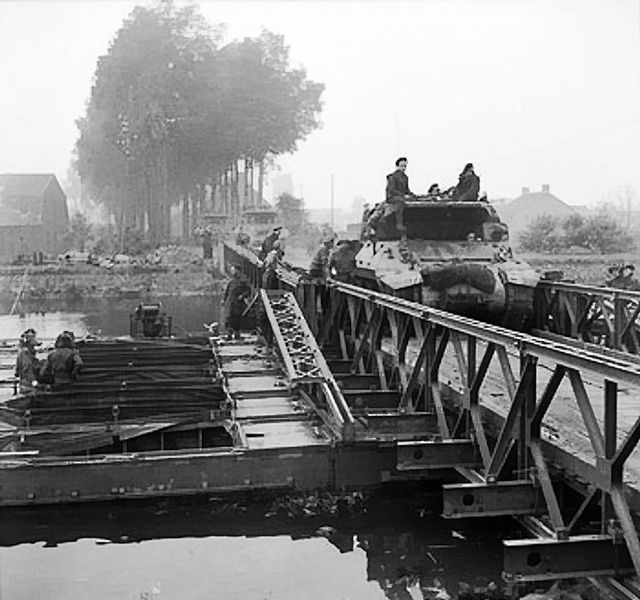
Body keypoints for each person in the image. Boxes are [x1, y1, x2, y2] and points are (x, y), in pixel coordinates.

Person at [223, 267, 252, 340]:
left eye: (234, 270)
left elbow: (248, 291)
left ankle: (237, 334)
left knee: (237, 319)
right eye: (232, 270)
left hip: (238, 303)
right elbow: (227, 291)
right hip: (231, 302)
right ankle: (229, 334)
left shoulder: (243, 282)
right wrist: (224, 300)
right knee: (229, 319)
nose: (233, 272)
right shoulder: (231, 282)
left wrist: (242, 296)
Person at [15, 328, 41, 394]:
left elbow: (17, 371)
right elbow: (28, 369)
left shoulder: (22, 352)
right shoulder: (25, 354)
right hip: (28, 386)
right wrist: (34, 381)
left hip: (24, 384)